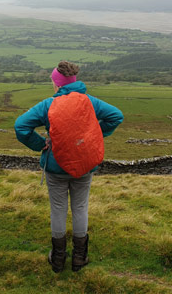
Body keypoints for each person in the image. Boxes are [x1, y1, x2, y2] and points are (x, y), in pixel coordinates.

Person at [14, 61, 123, 273]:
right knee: (80, 207)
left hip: (56, 166)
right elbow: (116, 116)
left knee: (58, 209)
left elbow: (21, 126)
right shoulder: (90, 101)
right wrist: (92, 136)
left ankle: (57, 259)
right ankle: (79, 258)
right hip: (84, 165)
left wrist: (40, 144)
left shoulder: (47, 105)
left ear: (57, 83)